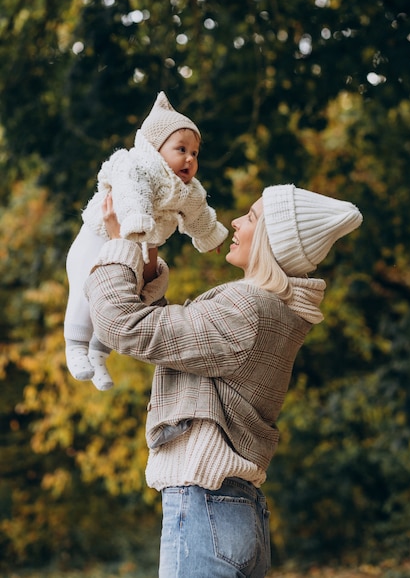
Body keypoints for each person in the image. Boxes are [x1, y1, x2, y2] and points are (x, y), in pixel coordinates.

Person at [84, 183, 363, 578]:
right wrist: (145, 260)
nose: (235, 221)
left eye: (250, 217)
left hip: (206, 507)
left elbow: (123, 326)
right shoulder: (270, 314)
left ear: (271, 241)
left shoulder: (247, 311)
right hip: (233, 513)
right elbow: (175, 345)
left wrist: (118, 247)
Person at [64, 91, 228, 391]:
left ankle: (99, 355)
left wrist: (209, 234)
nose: (190, 158)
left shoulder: (187, 189)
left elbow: (199, 212)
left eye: (195, 153)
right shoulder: (138, 165)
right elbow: (130, 193)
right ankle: (75, 346)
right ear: (156, 148)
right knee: (85, 292)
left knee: (125, 299)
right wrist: (137, 222)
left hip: (136, 247)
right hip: (98, 237)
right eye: (181, 149)